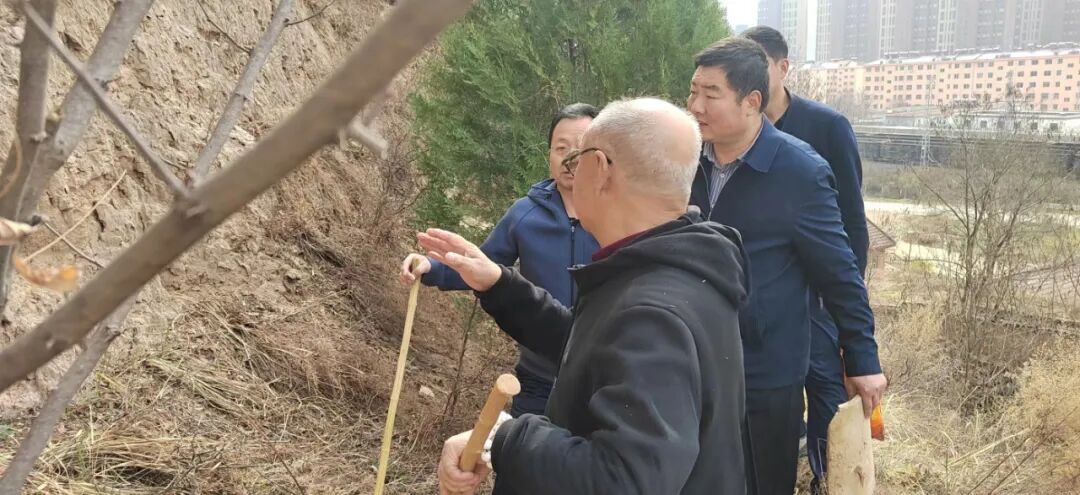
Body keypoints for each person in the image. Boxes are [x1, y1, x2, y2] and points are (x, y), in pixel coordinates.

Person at [416, 98, 750, 494]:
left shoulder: (653, 314)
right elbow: (591, 348)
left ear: (601, 169)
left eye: (579, 157)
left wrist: (505, 438)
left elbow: (623, 480)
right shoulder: (675, 271)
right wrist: (499, 284)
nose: (572, 170)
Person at [686, 38, 886, 495]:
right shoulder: (685, 160)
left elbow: (839, 273)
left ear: (752, 101)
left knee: (761, 481)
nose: (695, 106)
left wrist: (862, 358)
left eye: (711, 94)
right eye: (693, 91)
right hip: (690, 359)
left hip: (763, 369)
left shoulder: (799, 172)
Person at [400, 103, 601, 417]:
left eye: (579, 149)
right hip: (539, 378)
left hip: (601, 379)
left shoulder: (617, 217)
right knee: (526, 446)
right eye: (561, 148)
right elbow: (483, 266)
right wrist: (431, 267)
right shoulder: (525, 215)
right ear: (549, 155)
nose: (569, 159)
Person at [741, 26, 871, 491]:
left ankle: (826, 479)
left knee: (828, 398)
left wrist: (845, 308)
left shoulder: (826, 127)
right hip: (763, 300)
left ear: (783, 68)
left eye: (759, 64)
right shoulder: (734, 133)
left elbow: (852, 223)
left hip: (816, 300)